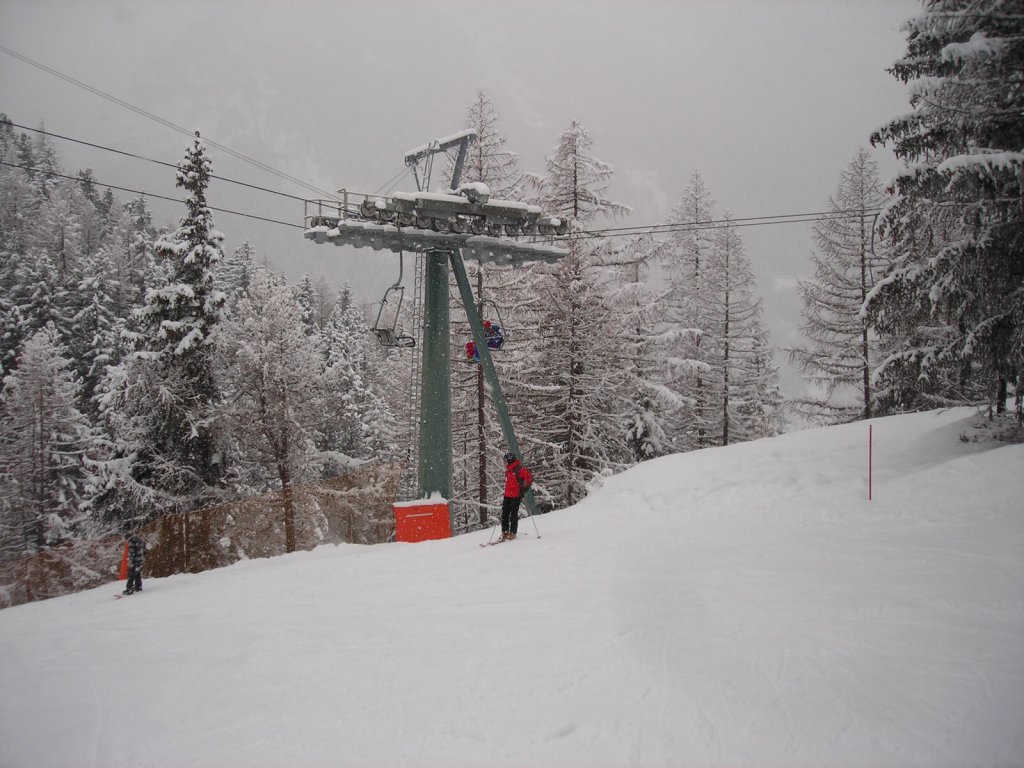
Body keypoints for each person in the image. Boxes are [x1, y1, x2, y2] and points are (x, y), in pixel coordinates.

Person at [500, 451, 533, 541]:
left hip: (516, 495)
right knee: (505, 514)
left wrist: (523, 489)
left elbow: (529, 478)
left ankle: (513, 532)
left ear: (510, 460)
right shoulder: (508, 469)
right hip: (507, 495)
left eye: (505, 461)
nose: (504, 463)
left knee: (513, 514)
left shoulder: (519, 469)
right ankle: (505, 532)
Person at [123, 530, 146, 595]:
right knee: (137, 574)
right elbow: (143, 551)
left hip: (135, 561)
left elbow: (131, 553)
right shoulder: (140, 540)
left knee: (131, 575)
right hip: (140, 560)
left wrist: (130, 562)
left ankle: (129, 589)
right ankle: (138, 587)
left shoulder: (131, 541)